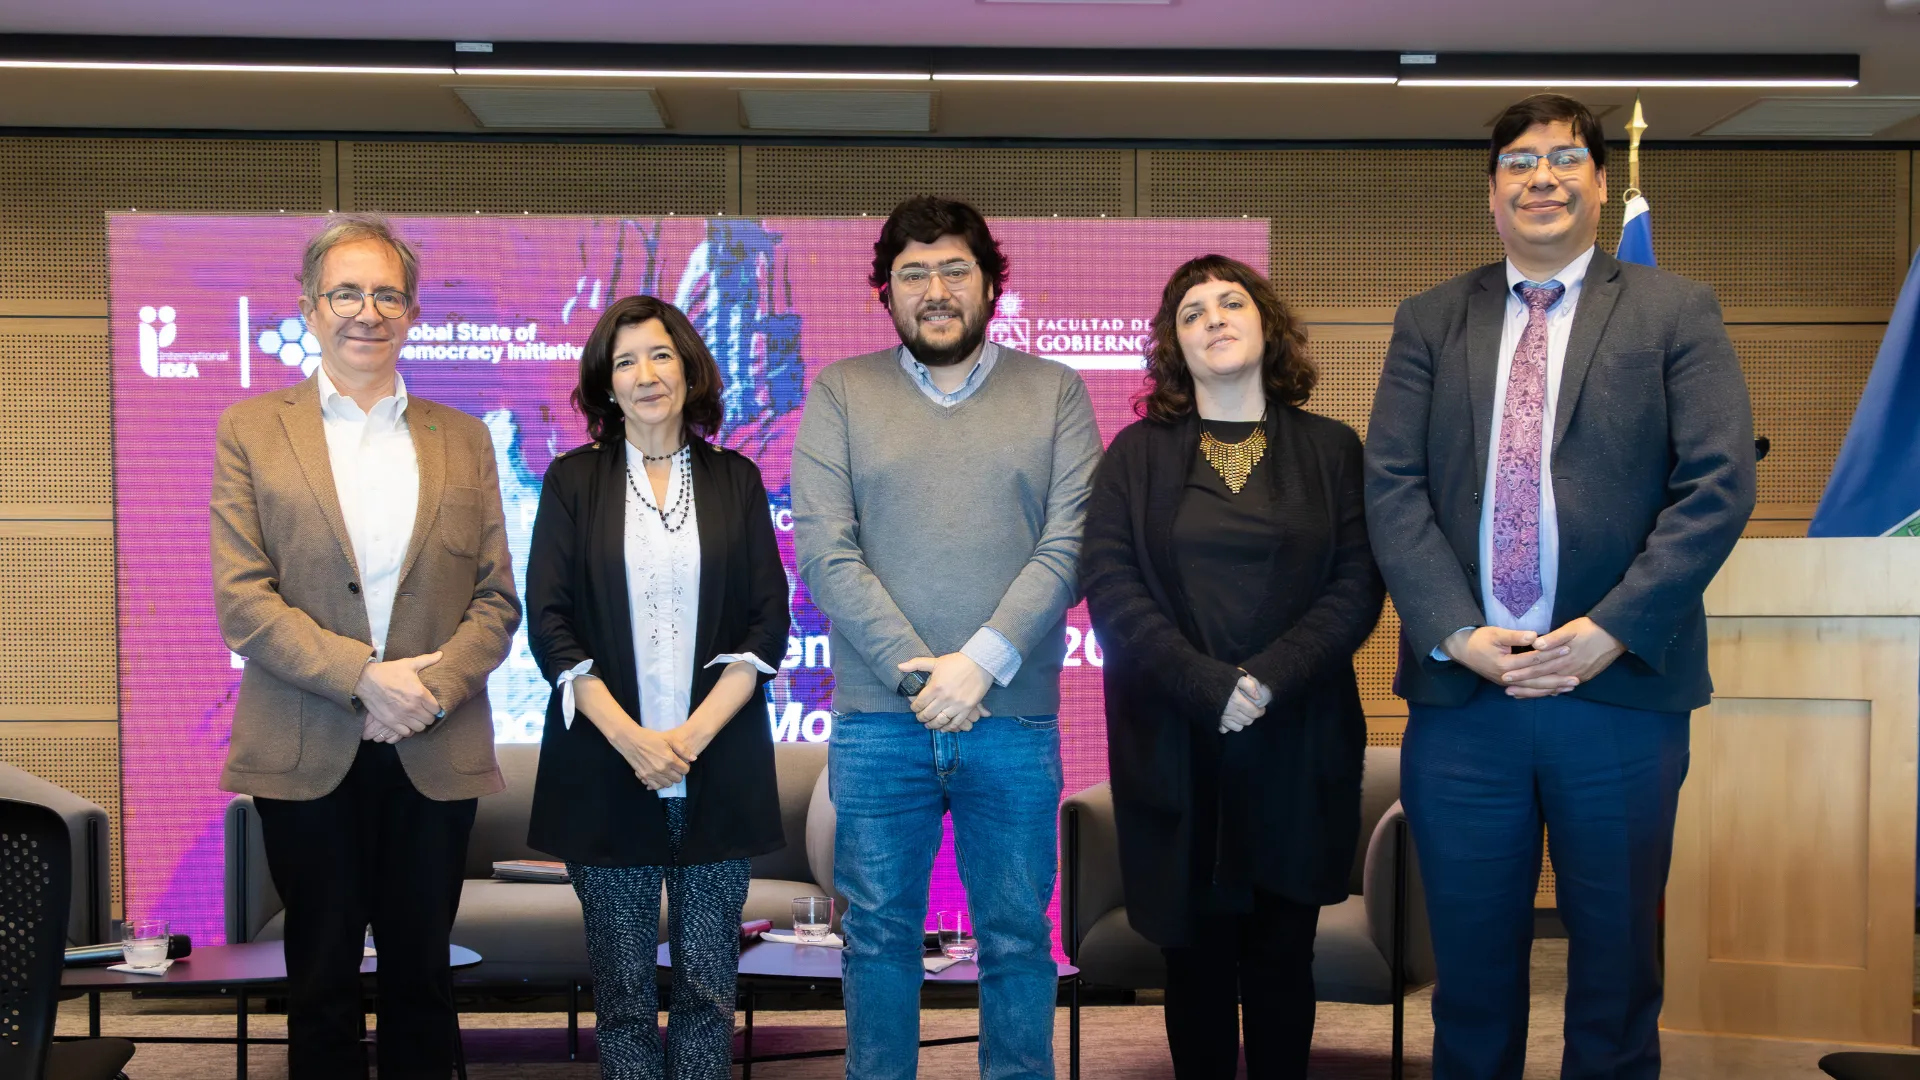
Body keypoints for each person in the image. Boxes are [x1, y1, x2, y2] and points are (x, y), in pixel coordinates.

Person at [1364, 94, 1756, 1080]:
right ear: (1491, 193)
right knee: (1474, 979)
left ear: (1599, 184)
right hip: (1466, 703)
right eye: (1520, 162)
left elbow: (1717, 483)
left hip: (1617, 696)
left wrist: (1613, 629)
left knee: (1618, 973)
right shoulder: (1428, 320)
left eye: (1566, 157)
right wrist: (1456, 631)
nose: (1542, 176)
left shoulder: (1676, 310)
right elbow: (1393, 487)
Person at [791, 194, 1102, 1080]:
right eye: (913, 273)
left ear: (991, 282)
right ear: (884, 291)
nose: (935, 289)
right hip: (877, 723)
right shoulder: (841, 393)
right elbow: (824, 550)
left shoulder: (1056, 393)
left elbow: (1070, 544)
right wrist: (917, 673)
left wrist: (981, 665)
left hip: (1014, 721)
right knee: (879, 935)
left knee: (1014, 937)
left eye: (955, 269)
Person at [211, 213, 521, 1079]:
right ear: (309, 306)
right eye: (346, 292)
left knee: (424, 978)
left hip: (435, 739)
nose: (367, 311)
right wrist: (365, 681)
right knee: (319, 982)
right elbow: (243, 600)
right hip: (305, 741)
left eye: (388, 293)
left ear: (413, 312)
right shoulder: (250, 430)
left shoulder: (463, 437)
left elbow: (497, 599)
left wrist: (428, 689)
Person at [1081, 255, 1383, 1079]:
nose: (1214, 318)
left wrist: (1269, 680)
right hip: (1175, 743)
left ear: (1266, 323)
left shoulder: (1333, 450)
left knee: (1286, 955)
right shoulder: (1134, 456)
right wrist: (1207, 686)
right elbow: (1110, 586)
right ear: (1173, 347)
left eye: (1231, 302)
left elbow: (1358, 585)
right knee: (1197, 961)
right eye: (1191, 313)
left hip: (1298, 740)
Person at [525, 295, 791, 1080]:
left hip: (719, 767)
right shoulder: (573, 481)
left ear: (689, 368)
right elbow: (551, 623)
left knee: (711, 991)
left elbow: (765, 624)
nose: (646, 374)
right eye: (626, 360)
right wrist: (637, 742)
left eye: (661, 355)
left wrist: (691, 740)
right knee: (625, 1000)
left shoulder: (736, 479)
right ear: (607, 384)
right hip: (608, 768)